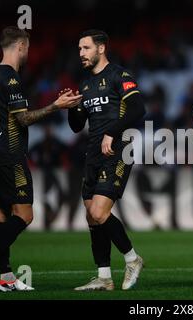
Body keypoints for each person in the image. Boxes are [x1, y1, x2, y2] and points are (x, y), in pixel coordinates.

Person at [0, 26, 82, 292]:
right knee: (25, 215)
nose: (28, 52)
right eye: (27, 47)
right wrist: (56, 106)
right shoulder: (11, 78)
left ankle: (6, 276)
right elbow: (23, 119)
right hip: (10, 154)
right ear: (20, 46)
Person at [66, 30, 146, 291]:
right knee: (92, 216)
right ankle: (103, 276)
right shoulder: (86, 84)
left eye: (85, 48)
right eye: (79, 49)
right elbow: (77, 126)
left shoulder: (119, 76)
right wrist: (71, 107)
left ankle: (133, 259)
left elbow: (137, 109)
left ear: (101, 49)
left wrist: (112, 132)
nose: (81, 53)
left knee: (100, 212)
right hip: (93, 154)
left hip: (119, 150)